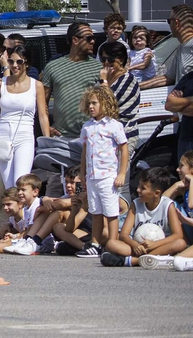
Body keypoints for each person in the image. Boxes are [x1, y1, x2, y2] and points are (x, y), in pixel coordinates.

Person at [0, 42, 48, 201]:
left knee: (21, 183)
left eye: (19, 61)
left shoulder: (37, 85)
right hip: (4, 137)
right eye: (11, 61)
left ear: (26, 63)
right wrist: (3, 122)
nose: (15, 65)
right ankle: (15, 223)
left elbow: (42, 115)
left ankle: (26, 222)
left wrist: (47, 141)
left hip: (25, 136)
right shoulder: (1, 84)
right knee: (9, 186)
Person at [78, 83, 131, 251]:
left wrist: (121, 173)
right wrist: (83, 173)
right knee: (95, 210)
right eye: (89, 103)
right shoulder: (87, 127)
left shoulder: (114, 125)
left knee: (110, 210)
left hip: (108, 176)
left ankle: (112, 243)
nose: (91, 107)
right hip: (92, 176)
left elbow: (124, 148)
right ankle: (95, 242)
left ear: (105, 104)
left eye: (95, 103)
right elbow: (85, 151)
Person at [102, 167, 182, 266]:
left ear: (156, 193)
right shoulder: (135, 205)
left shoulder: (168, 205)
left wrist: (155, 244)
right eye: (139, 185)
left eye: (143, 188)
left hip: (160, 246)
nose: (138, 190)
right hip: (138, 248)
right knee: (111, 243)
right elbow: (124, 234)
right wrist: (134, 244)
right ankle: (155, 258)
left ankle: (135, 261)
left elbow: (178, 235)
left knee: (180, 243)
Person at [40, 21, 100, 143]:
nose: (93, 41)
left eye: (93, 38)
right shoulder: (53, 66)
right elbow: (42, 103)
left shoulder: (98, 67)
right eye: (89, 38)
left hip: (91, 136)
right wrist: (47, 129)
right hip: (61, 137)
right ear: (75, 40)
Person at [97, 40, 141, 152]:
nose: (106, 63)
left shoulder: (129, 80)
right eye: (103, 59)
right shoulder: (103, 80)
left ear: (121, 60)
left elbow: (108, 105)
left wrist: (103, 81)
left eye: (111, 59)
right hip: (102, 135)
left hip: (123, 134)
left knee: (122, 169)